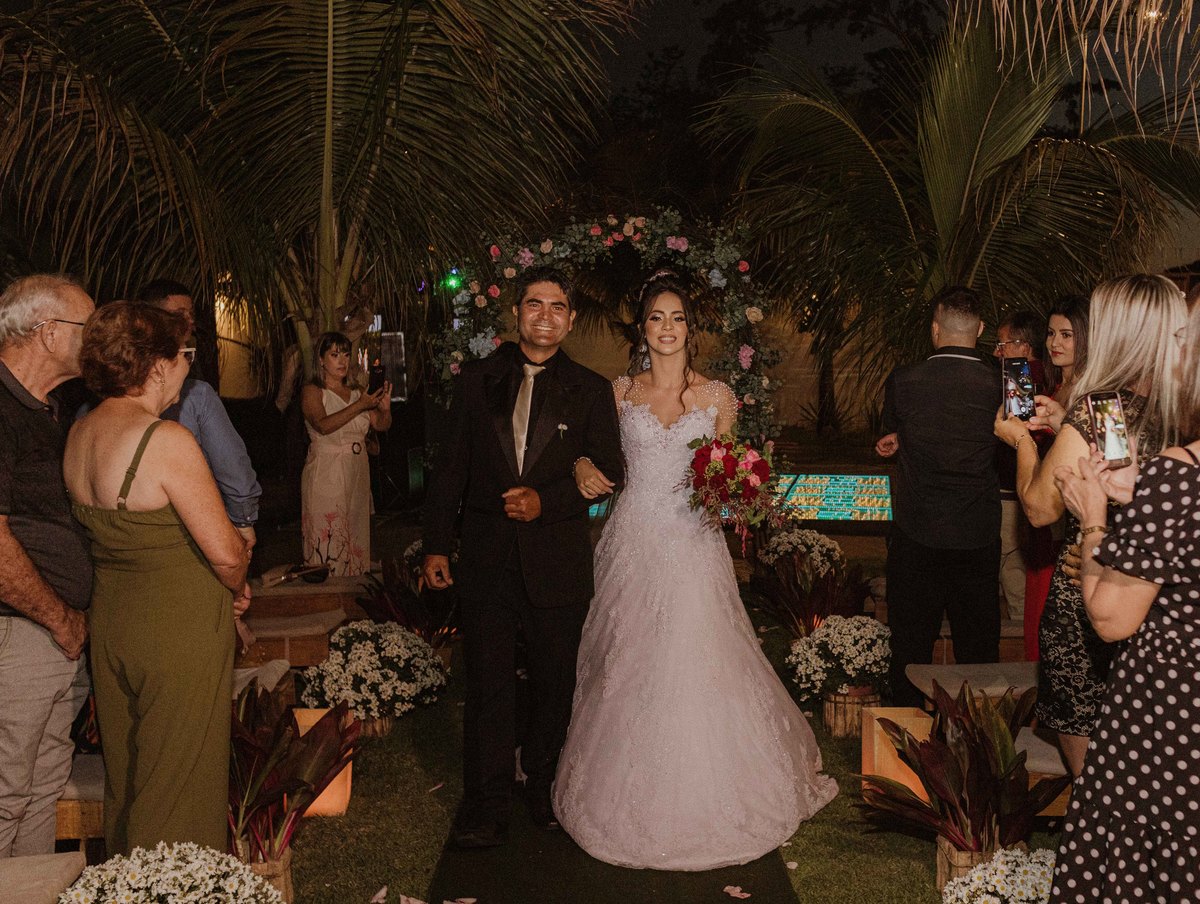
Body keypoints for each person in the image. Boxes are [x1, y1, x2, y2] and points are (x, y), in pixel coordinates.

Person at [553, 272, 836, 870]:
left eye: (677, 317)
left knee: (695, 654)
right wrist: (579, 460)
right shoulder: (618, 392)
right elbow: (586, 448)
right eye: (656, 317)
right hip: (633, 538)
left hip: (692, 541)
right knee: (628, 656)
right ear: (642, 328)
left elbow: (728, 471)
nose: (667, 328)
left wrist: (737, 489)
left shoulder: (718, 397)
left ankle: (712, 786)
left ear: (690, 329)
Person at [422, 266, 624, 849]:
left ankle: (545, 788)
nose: (545, 316)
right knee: (487, 685)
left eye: (557, 307)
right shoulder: (477, 380)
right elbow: (450, 469)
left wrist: (547, 501)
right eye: (534, 304)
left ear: (571, 319)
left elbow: (612, 469)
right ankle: (485, 803)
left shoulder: (591, 389)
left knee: (553, 683)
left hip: (556, 560)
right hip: (487, 558)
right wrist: (437, 543)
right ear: (516, 312)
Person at [63, 302, 251, 854]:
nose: (188, 366)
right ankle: (173, 888)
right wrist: (239, 571)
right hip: (177, 630)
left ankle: (127, 879)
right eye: (184, 353)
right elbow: (226, 555)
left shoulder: (79, 433)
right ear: (158, 364)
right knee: (178, 783)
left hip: (114, 624)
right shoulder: (165, 441)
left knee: (129, 776)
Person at [994, 273, 1185, 776]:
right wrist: (1067, 427)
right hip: (1157, 606)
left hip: (1092, 600)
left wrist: (1022, 441)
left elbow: (1041, 508)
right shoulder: (1176, 411)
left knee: (1093, 780)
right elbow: (1125, 475)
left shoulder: (1103, 405)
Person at [1047, 298, 1200, 903]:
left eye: (1186, 338)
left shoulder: (1181, 473)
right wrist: (1140, 498)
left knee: (1144, 862)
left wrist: (1095, 519)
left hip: (1168, 714)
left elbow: (1111, 619)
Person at [0, 275, 95, 857]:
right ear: (49, 332)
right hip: (22, 634)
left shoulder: (46, 409)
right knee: (7, 792)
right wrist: (58, 618)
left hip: (54, 634)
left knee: (41, 792)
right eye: (89, 326)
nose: (99, 338)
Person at [875, 286, 1001, 707]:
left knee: (909, 649)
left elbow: (894, 431)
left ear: (935, 329)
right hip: (977, 535)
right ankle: (982, 739)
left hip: (917, 533)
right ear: (979, 330)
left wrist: (897, 439)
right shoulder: (1000, 384)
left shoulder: (904, 380)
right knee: (978, 653)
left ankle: (903, 735)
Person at [137, 280, 262, 550]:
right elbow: (232, 468)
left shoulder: (194, 392)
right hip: (188, 535)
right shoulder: (196, 397)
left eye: (190, 314)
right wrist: (243, 521)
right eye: (179, 314)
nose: (189, 322)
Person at [1023, 295, 1091, 660]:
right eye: (1051, 333)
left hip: (1066, 520)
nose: (1055, 343)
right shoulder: (1053, 385)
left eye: (1066, 335)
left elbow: (1090, 453)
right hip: (1042, 516)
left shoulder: (1089, 391)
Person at [301, 331, 391, 575]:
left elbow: (380, 425)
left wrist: (384, 409)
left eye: (346, 355)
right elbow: (323, 425)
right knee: (329, 536)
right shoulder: (313, 391)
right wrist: (360, 405)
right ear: (321, 359)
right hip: (327, 469)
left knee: (356, 536)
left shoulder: (357, 391)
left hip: (357, 469)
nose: (342, 361)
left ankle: (355, 585)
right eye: (334, 355)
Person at [993, 311, 1046, 625]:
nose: (996, 352)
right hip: (1037, 491)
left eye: (1003, 345)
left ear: (1024, 347)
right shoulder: (1052, 377)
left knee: (1013, 571)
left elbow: (1022, 436)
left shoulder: (1019, 380)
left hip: (1015, 492)